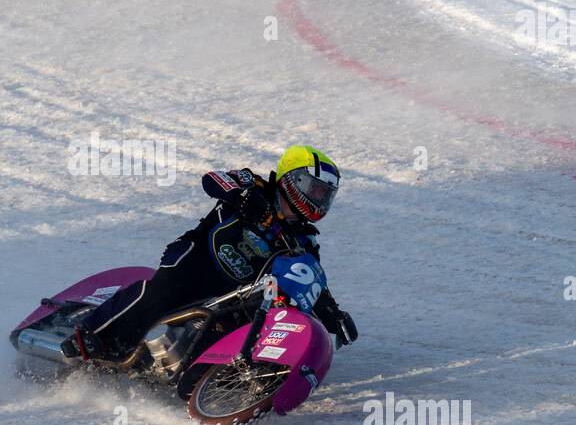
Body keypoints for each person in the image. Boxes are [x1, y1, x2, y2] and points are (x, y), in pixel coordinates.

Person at [64, 144, 358, 362]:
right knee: (163, 290)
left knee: (236, 322)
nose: (320, 200)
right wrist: (242, 196)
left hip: (232, 291)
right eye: (316, 189)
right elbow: (213, 180)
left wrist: (332, 313)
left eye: (325, 195)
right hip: (197, 262)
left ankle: (198, 370)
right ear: (293, 180)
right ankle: (91, 336)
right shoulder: (254, 185)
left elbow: (307, 277)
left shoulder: (304, 241)